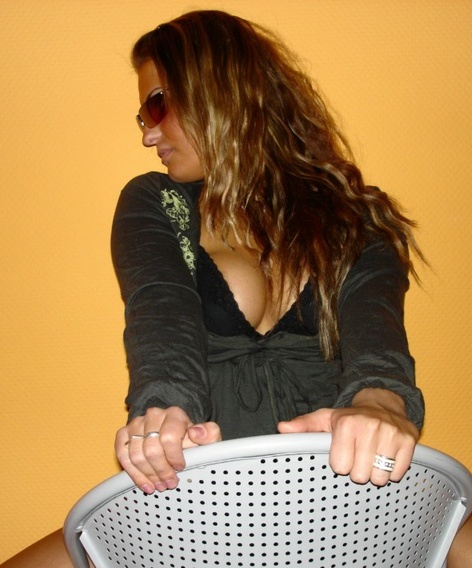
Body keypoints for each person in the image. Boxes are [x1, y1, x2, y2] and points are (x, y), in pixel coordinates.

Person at [2, 9, 471, 568]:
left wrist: (380, 404)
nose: (148, 134)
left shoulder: (356, 218)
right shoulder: (156, 202)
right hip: (201, 495)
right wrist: (164, 413)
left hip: (349, 488)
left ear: (219, 89)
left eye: (157, 105)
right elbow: (159, 311)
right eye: (142, 116)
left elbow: (379, 338)